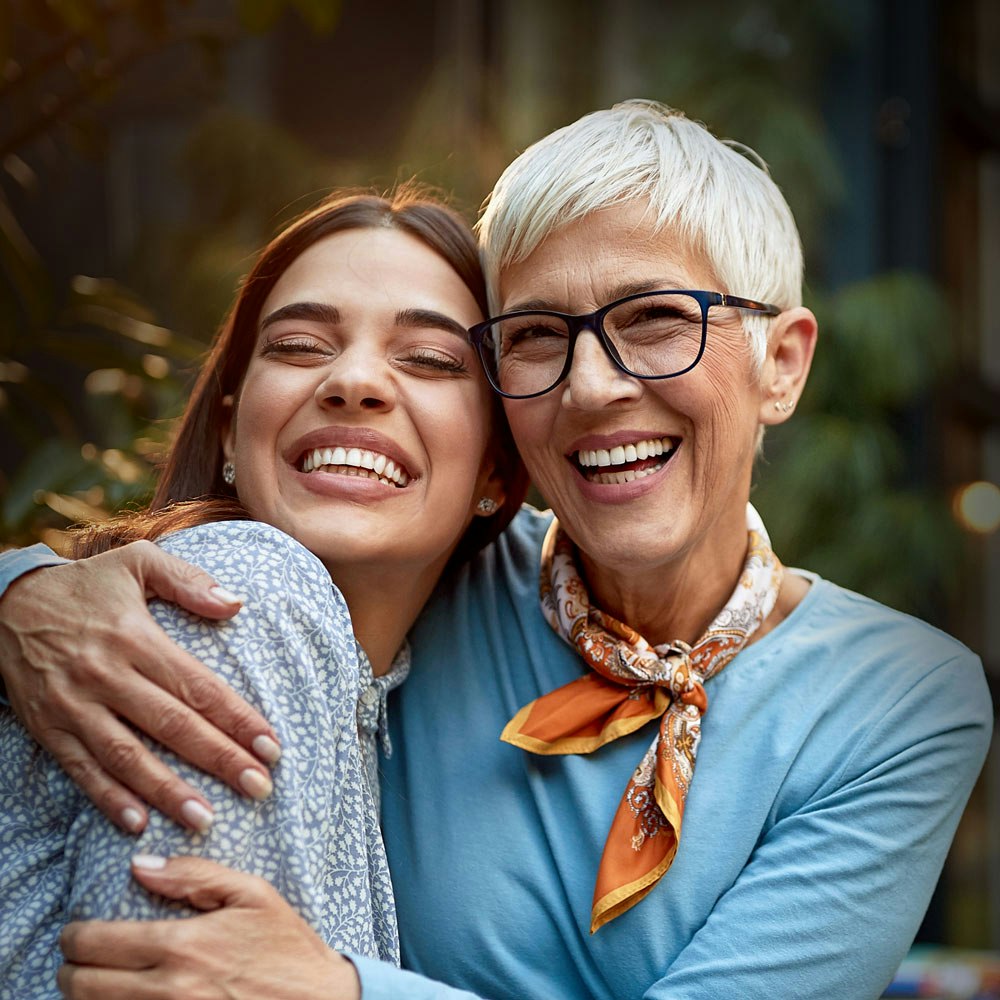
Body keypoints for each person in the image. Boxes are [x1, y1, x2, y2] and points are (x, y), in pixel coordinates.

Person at [0, 100, 992, 999]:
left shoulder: (899, 698)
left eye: (654, 321)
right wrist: (26, 591)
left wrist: (346, 995)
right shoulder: (425, 570)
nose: (592, 386)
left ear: (782, 363)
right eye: (536, 334)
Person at [0, 186, 524, 997]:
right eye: (301, 345)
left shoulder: (392, 686)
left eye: (428, 360)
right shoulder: (248, 593)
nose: (354, 380)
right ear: (228, 428)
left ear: (497, 469)